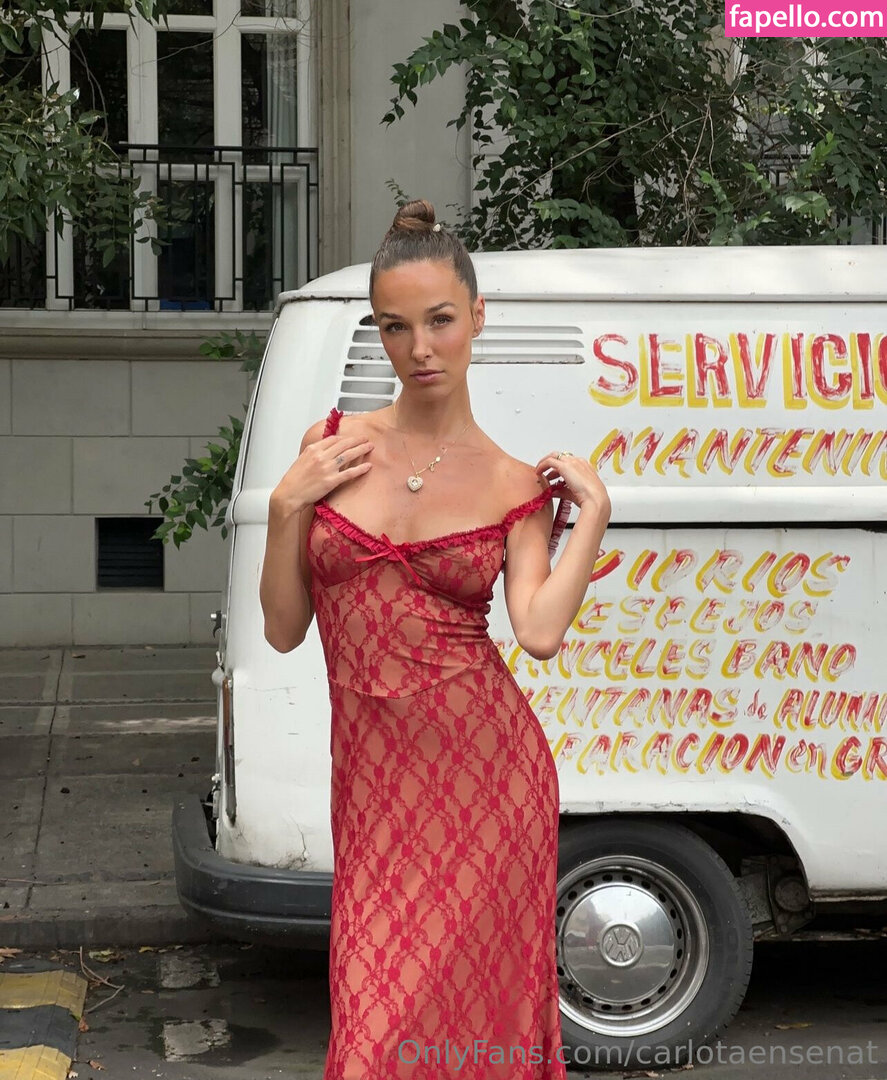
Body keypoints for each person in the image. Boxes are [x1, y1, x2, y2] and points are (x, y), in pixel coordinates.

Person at [259, 199, 611, 1079]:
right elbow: (283, 628)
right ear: (378, 331)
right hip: (376, 792)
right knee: (374, 1036)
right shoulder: (330, 447)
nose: (419, 348)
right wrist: (284, 506)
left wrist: (594, 516)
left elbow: (537, 633)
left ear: (477, 317)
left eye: (440, 321)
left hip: (487, 786)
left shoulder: (511, 484)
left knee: (461, 1032)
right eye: (396, 326)